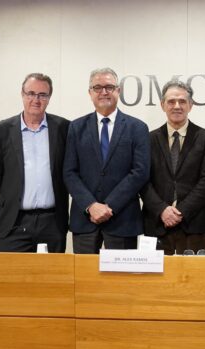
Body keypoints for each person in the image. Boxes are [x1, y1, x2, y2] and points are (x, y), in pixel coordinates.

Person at [63, 67, 150, 253]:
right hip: (85, 220)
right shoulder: (76, 128)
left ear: (118, 91)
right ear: (90, 93)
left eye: (109, 87)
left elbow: (140, 172)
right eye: (97, 87)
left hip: (123, 219)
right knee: (84, 281)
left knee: (122, 281)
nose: (104, 92)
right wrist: (91, 205)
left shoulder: (138, 128)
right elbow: (69, 172)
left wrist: (109, 206)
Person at [0, 73, 70, 253]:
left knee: (52, 278)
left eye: (42, 95)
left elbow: (68, 170)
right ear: (22, 94)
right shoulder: (2, 130)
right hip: (14, 222)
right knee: (14, 278)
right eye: (31, 93)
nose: (36, 99)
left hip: (53, 222)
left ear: (49, 98)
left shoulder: (64, 128)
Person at [140, 80, 205, 255]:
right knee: (157, 281)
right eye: (171, 101)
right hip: (157, 223)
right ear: (162, 105)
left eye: (182, 101)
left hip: (195, 222)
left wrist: (180, 211)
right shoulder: (148, 139)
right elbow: (142, 180)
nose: (177, 106)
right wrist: (162, 210)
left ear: (190, 105)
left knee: (195, 279)